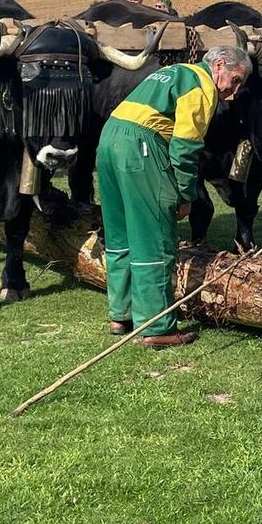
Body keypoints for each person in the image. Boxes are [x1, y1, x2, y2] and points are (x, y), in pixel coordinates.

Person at [98, 45, 252, 347]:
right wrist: (185, 193)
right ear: (218, 65)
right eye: (235, 80)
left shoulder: (173, 73)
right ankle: (157, 328)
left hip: (109, 141)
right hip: (140, 146)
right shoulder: (200, 86)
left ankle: (121, 314)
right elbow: (184, 147)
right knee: (154, 239)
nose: (234, 91)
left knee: (120, 237)